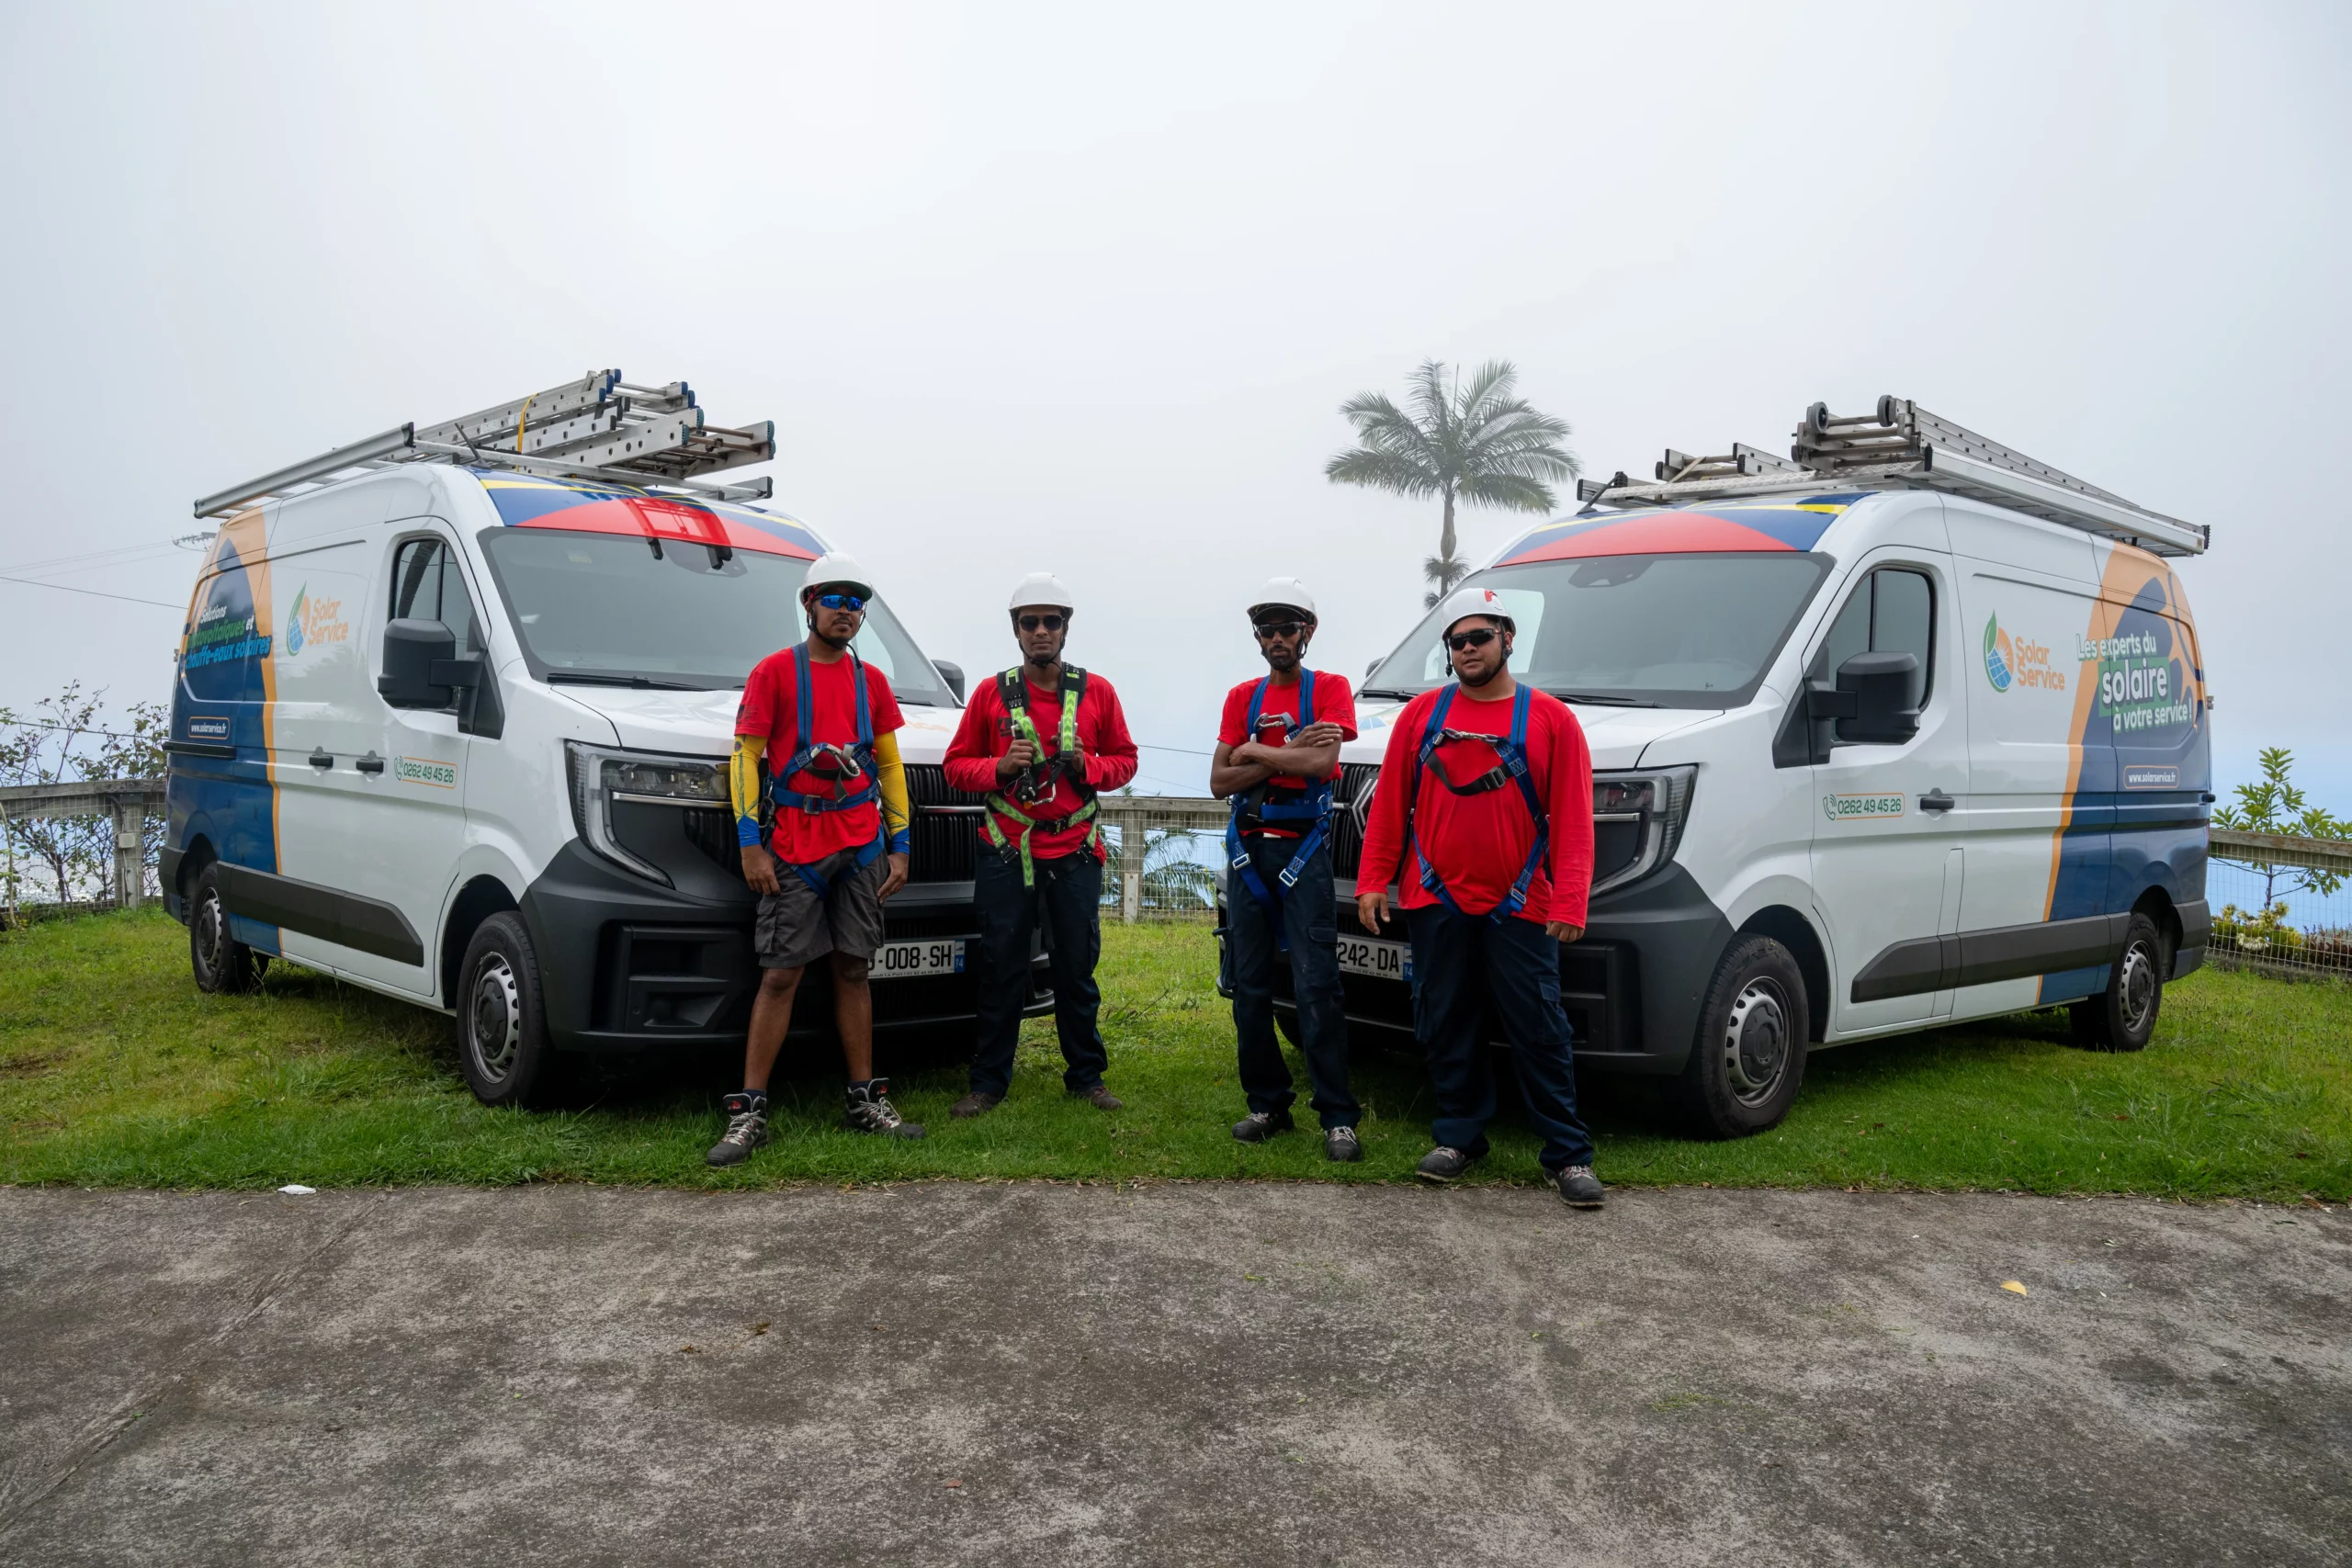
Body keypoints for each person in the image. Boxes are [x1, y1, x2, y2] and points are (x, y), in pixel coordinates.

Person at [1352, 584, 1605, 1209]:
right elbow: (1389, 807)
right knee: (1445, 1018)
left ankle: (1567, 1154)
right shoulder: (1419, 717)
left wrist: (1570, 900)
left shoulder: (1551, 720)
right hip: (1435, 897)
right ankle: (1460, 1137)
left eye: (1479, 637)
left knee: (1539, 1025)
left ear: (1507, 638)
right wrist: (1371, 880)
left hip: (1521, 903)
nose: (1467, 649)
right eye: (1456, 641)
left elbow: (1574, 819)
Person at [706, 553, 920, 1167]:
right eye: (835, 599)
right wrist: (751, 841)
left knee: (854, 968)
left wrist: (899, 847)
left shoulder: (871, 683)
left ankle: (864, 1099)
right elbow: (745, 758)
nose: (846, 611)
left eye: (857, 602)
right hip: (793, 847)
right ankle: (750, 1112)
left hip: (860, 847)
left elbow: (889, 766)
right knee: (781, 974)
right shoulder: (774, 673)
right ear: (809, 604)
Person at [943, 572, 1139, 1117]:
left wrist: (1089, 765)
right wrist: (999, 767)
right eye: (1030, 623)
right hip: (1009, 850)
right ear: (1017, 630)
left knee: (1076, 968)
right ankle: (988, 1082)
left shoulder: (1096, 692)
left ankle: (1087, 1077)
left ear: (1065, 628)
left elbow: (1127, 758)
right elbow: (955, 766)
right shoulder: (991, 693)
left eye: (1051, 622)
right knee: (1001, 965)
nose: (1041, 632)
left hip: (1075, 851)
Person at [1210, 577, 1363, 1159]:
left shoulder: (1330, 688)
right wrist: (1288, 751)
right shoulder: (1241, 697)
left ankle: (1338, 1117)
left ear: (1308, 632)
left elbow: (1324, 764)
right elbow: (1219, 781)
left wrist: (1255, 750)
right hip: (1250, 852)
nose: (1277, 638)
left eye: (1288, 627)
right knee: (1249, 985)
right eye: (1267, 629)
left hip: (1304, 853)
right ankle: (1267, 1103)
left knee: (1316, 983)